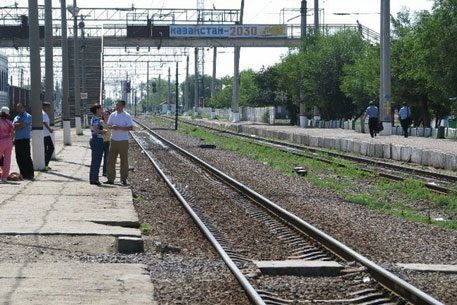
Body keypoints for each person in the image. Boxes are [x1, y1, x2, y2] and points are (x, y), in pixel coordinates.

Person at [105, 100, 134, 185]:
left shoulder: (126, 116)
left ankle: (123, 179)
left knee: (124, 160)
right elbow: (108, 125)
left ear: (123, 106)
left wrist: (119, 128)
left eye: (119, 105)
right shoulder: (112, 115)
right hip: (113, 140)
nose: (117, 107)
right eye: (117, 105)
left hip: (123, 140)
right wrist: (112, 127)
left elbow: (131, 127)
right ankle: (110, 178)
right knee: (111, 160)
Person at [13, 103, 34, 180]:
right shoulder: (16, 117)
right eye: (18, 108)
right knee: (19, 157)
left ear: (24, 108)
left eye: (21, 107)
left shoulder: (28, 116)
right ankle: (23, 173)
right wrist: (18, 125)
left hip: (25, 140)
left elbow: (23, 125)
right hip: (17, 140)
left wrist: (17, 125)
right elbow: (13, 128)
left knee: (26, 157)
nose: (19, 109)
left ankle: (30, 174)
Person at [89, 103, 106, 186]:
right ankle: (95, 179)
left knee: (95, 160)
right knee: (97, 160)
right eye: (100, 109)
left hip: (96, 140)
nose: (102, 110)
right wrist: (103, 131)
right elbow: (95, 130)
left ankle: (93, 178)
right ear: (97, 110)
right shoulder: (96, 119)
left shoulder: (96, 118)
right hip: (97, 140)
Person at [0, 107, 15, 183]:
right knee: (7, 160)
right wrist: (11, 141)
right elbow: (12, 133)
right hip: (8, 142)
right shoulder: (10, 122)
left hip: (0, 142)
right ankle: (4, 177)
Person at [42, 102, 54, 169]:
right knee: (51, 148)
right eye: (48, 107)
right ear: (44, 106)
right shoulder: (43, 113)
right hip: (45, 134)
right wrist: (49, 129)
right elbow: (44, 122)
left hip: (46, 134)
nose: (49, 108)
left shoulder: (44, 113)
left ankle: (45, 164)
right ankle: (45, 163)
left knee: (46, 150)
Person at [101, 110, 111, 177]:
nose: (106, 116)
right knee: (99, 158)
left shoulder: (111, 123)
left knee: (106, 158)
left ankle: (105, 172)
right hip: (101, 142)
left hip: (108, 142)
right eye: (104, 114)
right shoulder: (100, 122)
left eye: (107, 114)